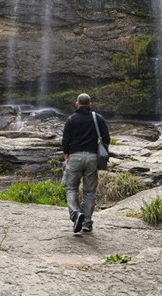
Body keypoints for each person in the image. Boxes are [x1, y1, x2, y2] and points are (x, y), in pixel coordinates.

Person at [61, 93, 110, 234]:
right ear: (90, 104)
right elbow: (106, 138)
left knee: (71, 188)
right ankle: (87, 223)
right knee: (89, 191)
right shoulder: (98, 118)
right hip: (93, 158)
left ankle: (76, 213)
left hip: (75, 157)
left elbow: (66, 140)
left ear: (77, 104)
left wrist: (66, 154)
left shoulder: (71, 119)